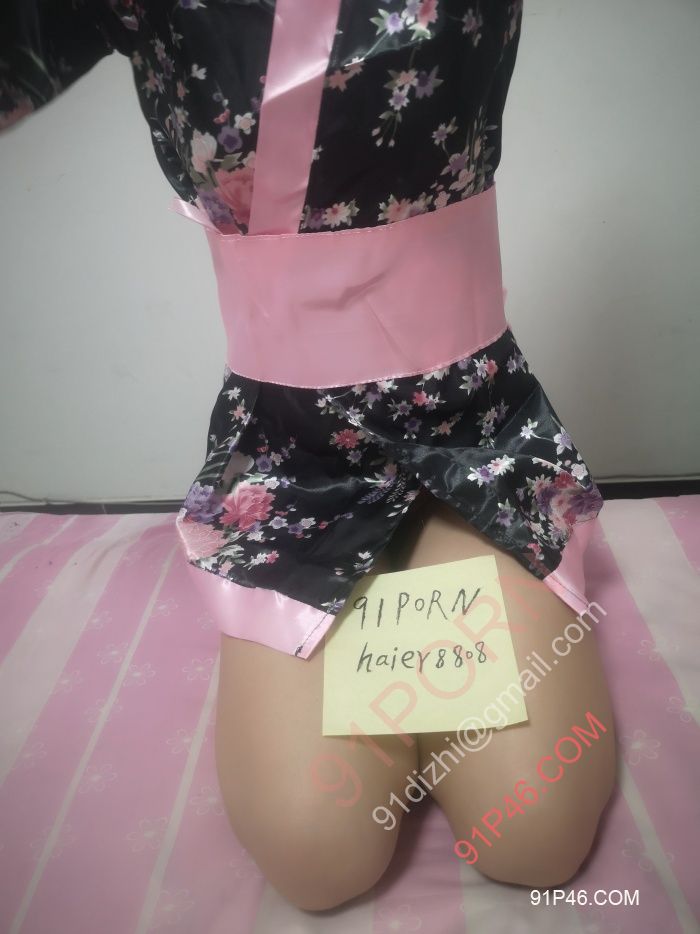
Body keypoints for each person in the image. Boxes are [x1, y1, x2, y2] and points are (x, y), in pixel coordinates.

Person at [1, 0, 616, 912]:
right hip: (287, 457)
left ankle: (434, 544)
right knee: (315, 849)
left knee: (533, 826)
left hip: (473, 437)